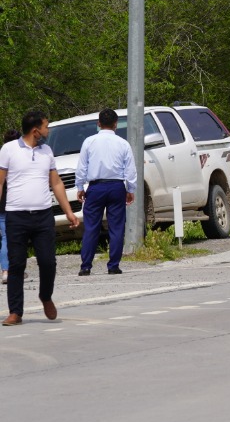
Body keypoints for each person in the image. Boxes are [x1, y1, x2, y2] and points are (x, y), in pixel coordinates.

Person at [0, 109, 81, 326]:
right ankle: (15, 312)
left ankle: (45, 296)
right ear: (36, 131)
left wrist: (68, 212)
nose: (48, 129)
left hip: (43, 216)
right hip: (16, 216)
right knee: (16, 264)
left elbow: (56, 183)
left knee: (48, 262)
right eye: (46, 126)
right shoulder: (8, 150)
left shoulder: (47, 152)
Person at [74, 109, 138, 276]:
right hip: (117, 186)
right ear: (116, 124)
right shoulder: (123, 143)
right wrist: (130, 189)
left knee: (91, 227)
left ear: (98, 123)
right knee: (116, 227)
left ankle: (86, 266)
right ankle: (113, 265)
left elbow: (82, 167)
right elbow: (130, 170)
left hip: (95, 187)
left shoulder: (89, 142)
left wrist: (80, 187)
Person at [0, 130, 16, 285]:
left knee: (5, 237)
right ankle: (11, 269)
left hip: (2, 205)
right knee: (16, 238)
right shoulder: (18, 157)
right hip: (15, 203)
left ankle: (5, 270)